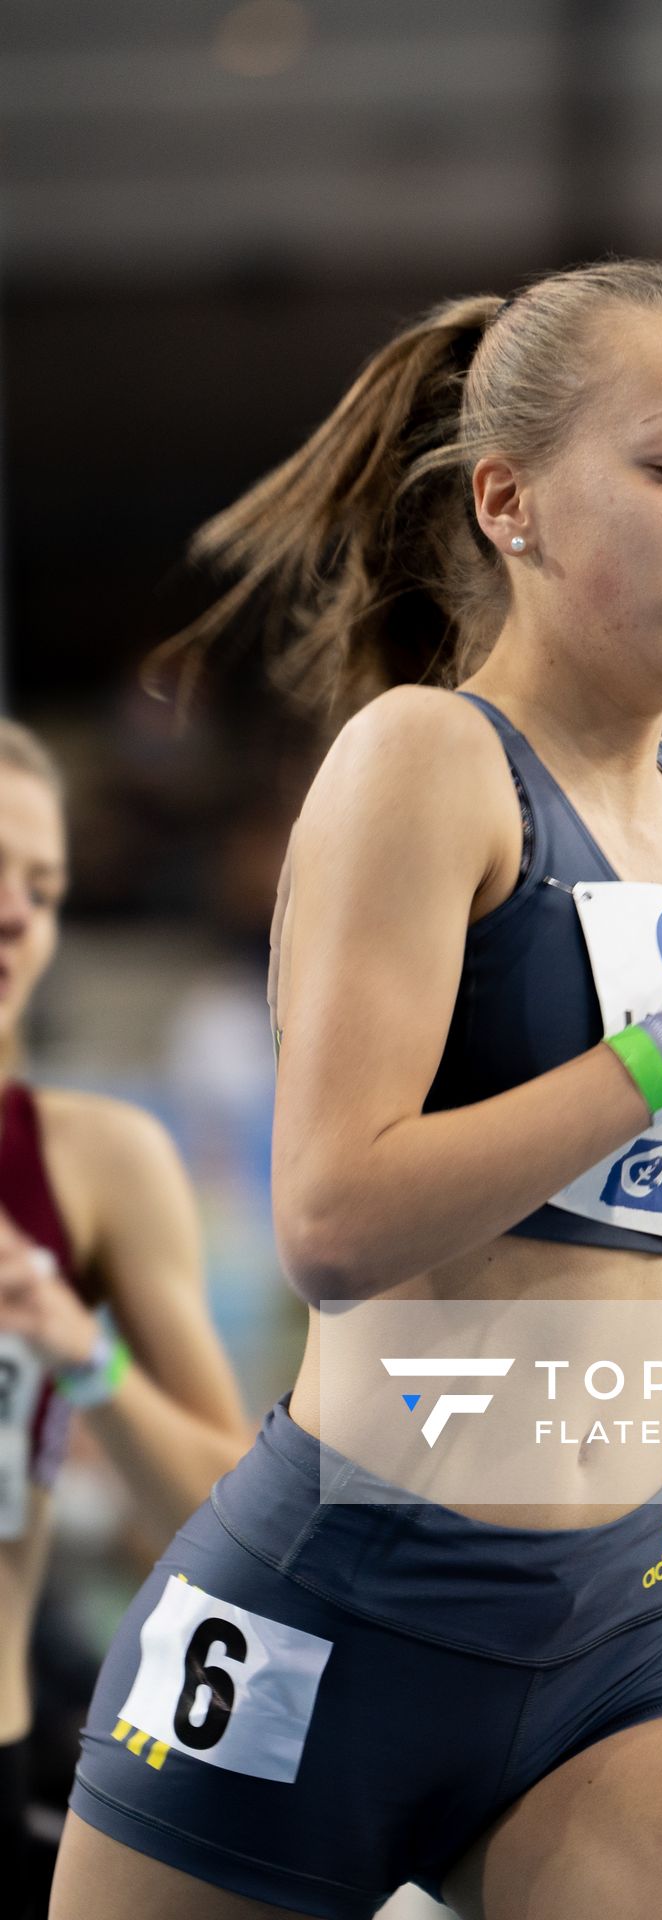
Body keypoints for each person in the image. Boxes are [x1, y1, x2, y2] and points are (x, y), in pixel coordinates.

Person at [52, 257, 662, 1919]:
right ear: (508, 500)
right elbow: (332, 1219)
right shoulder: (426, 763)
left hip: (621, 1622)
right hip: (331, 1617)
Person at [0, 719, 252, 1919]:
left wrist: (79, 1348)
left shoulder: (93, 1163)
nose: (17, 917)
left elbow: (233, 1524)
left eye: (42, 887)